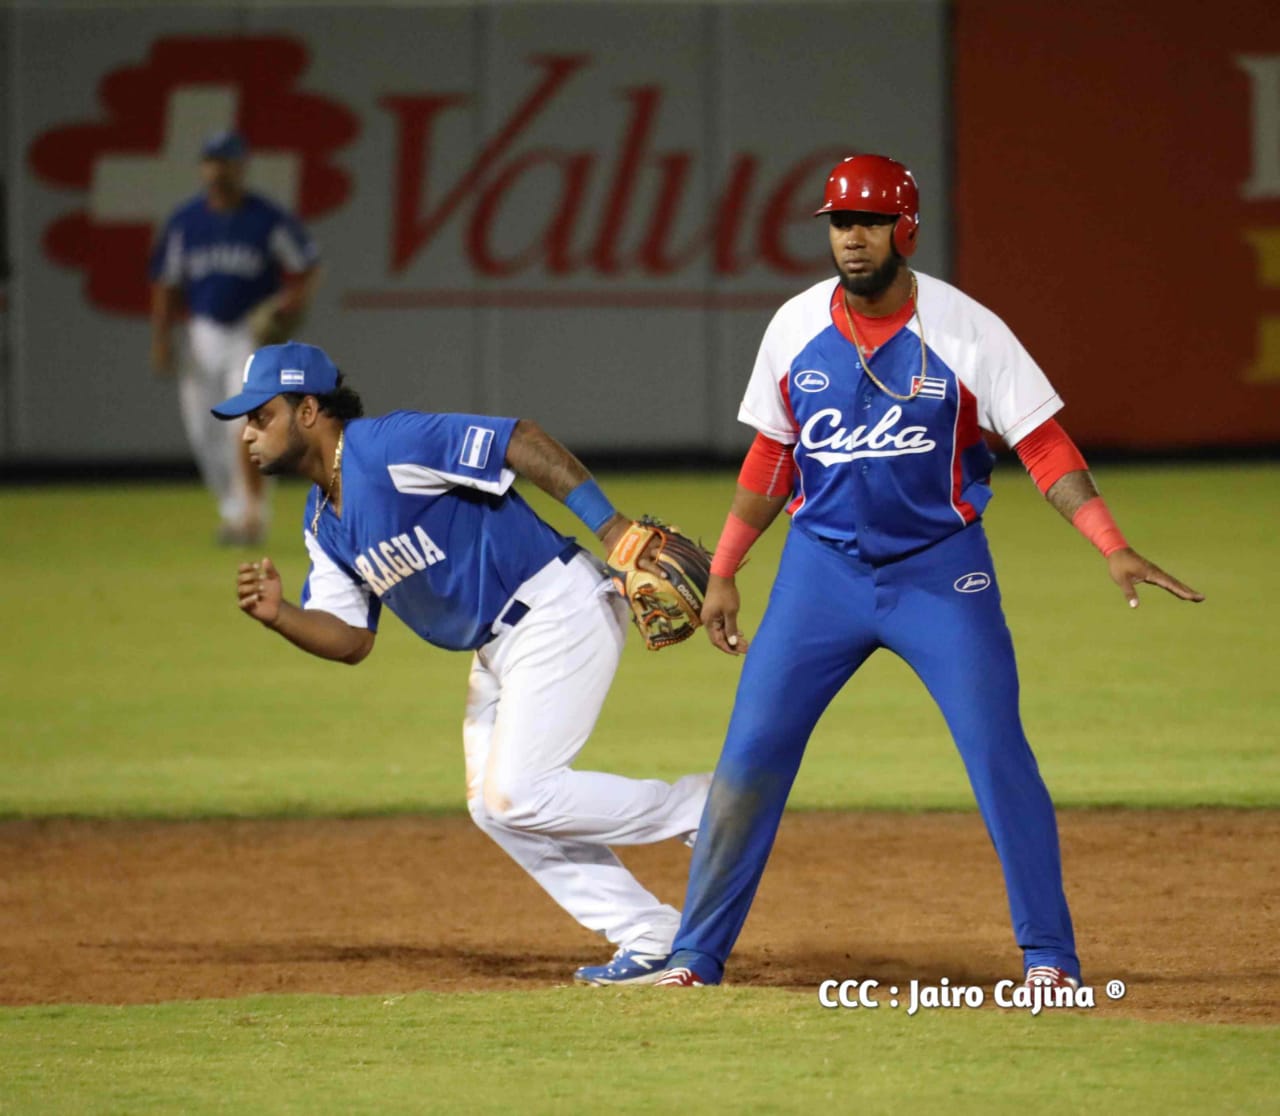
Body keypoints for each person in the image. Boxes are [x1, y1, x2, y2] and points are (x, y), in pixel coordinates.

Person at [653, 154, 1204, 990]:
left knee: (997, 752)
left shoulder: (964, 328)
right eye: (841, 222)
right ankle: (696, 958)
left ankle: (1050, 958)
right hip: (819, 574)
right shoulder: (795, 325)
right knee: (750, 754)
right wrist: (726, 567)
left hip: (940, 574)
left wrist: (1110, 542)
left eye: (870, 222)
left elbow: (1042, 443)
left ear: (904, 230)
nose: (852, 238)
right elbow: (772, 454)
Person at [213, 341, 710, 985]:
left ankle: (699, 806)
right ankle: (648, 932)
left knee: (519, 793)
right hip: (497, 647)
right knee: (496, 809)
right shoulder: (322, 521)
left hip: (554, 605)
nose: (248, 434)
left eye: (261, 416)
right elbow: (352, 638)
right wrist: (281, 615)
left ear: (308, 410)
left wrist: (611, 528)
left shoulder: (387, 446)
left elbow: (518, 439)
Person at [150, 130, 322, 545]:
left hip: (248, 331)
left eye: (226, 161)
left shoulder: (265, 218)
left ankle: (252, 512)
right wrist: (161, 337)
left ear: (241, 167)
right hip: (199, 333)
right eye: (212, 161)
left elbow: (308, 264)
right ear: (203, 167)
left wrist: (291, 303)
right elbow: (166, 283)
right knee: (203, 431)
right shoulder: (186, 221)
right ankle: (233, 511)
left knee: (246, 423)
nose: (218, 169)